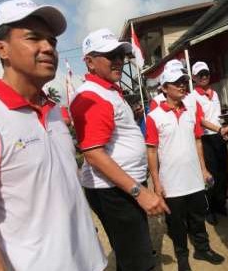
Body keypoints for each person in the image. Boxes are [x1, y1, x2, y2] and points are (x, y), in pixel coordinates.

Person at [0, 0, 106, 270]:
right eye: (33, 38)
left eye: (52, 41)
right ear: (1, 49)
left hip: (89, 261)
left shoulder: (52, 110)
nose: (48, 48)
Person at [70, 28, 170, 271]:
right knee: (138, 262)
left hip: (119, 187)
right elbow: (93, 154)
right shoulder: (91, 96)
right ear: (90, 62)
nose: (118, 60)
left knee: (131, 251)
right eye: (110, 55)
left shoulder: (107, 91)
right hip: (114, 191)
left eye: (120, 54)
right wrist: (140, 192)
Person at [146, 61, 225, 271]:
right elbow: (152, 151)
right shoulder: (154, 117)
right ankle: (182, 256)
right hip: (171, 182)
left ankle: (203, 248)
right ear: (164, 88)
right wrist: (156, 182)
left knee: (198, 217)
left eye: (183, 82)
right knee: (176, 223)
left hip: (194, 179)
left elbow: (198, 141)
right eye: (176, 83)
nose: (182, 86)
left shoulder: (190, 111)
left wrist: (204, 169)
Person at [190, 61, 228, 225]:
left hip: (219, 136)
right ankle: (209, 208)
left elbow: (217, 116)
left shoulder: (215, 94)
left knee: (223, 171)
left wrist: (223, 130)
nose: (204, 77)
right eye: (200, 74)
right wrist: (219, 130)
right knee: (210, 175)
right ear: (194, 77)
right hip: (206, 138)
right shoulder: (193, 96)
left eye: (206, 73)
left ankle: (220, 204)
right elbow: (200, 120)